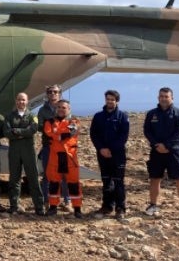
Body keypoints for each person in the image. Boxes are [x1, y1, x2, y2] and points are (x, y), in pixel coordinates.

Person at [144, 87, 179, 222]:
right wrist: (156, 145)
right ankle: (153, 205)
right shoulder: (151, 114)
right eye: (161, 96)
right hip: (156, 152)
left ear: (172, 98)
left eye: (166, 96)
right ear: (158, 97)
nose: (163, 98)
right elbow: (147, 131)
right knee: (155, 178)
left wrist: (167, 146)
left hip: (174, 152)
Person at [89, 90, 130, 220]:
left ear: (117, 101)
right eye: (108, 99)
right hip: (102, 154)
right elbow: (94, 134)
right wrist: (101, 148)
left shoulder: (123, 116)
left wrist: (110, 149)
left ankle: (120, 208)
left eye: (112, 99)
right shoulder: (98, 116)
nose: (110, 101)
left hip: (117, 154)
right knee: (106, 181)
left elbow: (123, 136)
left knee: (118, 182)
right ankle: (107, 206)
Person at [3, 92, 45, 216]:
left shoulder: (32, 116)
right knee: (14, 178)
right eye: (19, 100)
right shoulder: (9, 116)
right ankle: (14, 205)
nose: (21, 102)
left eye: (23, 100)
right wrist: (22, 133)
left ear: (27, 101)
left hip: (28, 150)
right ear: (16, 101)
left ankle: (39, 206)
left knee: (33, 178)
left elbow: (33, 129)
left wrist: (16, 131)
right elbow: (7, 132)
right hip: (14, 150)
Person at [43, 99, 83, 218]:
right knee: (54, 183)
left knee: (73, 184)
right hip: (55, 157)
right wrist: (61, 135)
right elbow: (49, 133)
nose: (61, 109)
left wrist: (59, 135)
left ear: (68, 109)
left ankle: (77, 209)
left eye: (64, 107)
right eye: (59, 107)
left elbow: (71, 132)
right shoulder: (49, 122)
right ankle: (53, 207)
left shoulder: (74, 121)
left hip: (70, 157)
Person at [37, 84, 71, 211]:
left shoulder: (64, 107)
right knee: (47, 175)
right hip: (48, 146)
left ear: (60, 93)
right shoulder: (42, 110)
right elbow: (40, 126)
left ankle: (67, 202)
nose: (53, 94)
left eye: (55, 92)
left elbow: (68, 124)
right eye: (50, 92)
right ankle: (47, 201)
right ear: (47, 94)